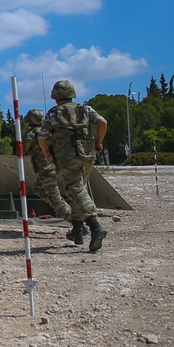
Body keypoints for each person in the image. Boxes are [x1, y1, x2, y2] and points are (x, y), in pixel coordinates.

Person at [38, 80, 109, 251]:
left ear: (55, 96)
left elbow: (42, 137)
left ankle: (94, 226)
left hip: (66, 157)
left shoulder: (53, 113)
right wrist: (98, 143)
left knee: (74, 189)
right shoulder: (85, 109)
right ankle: (77, 231)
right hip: (87, 155)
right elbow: (103, 123)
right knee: (78, 189)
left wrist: (47, 153)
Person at [23, 108, 72, 222]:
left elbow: (23, 150)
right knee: (38, 188)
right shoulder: (50, 131)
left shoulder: (31, 134)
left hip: (46, 169)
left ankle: (75, 222)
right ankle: (63, 210)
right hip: (57, 166)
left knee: (55, 198)